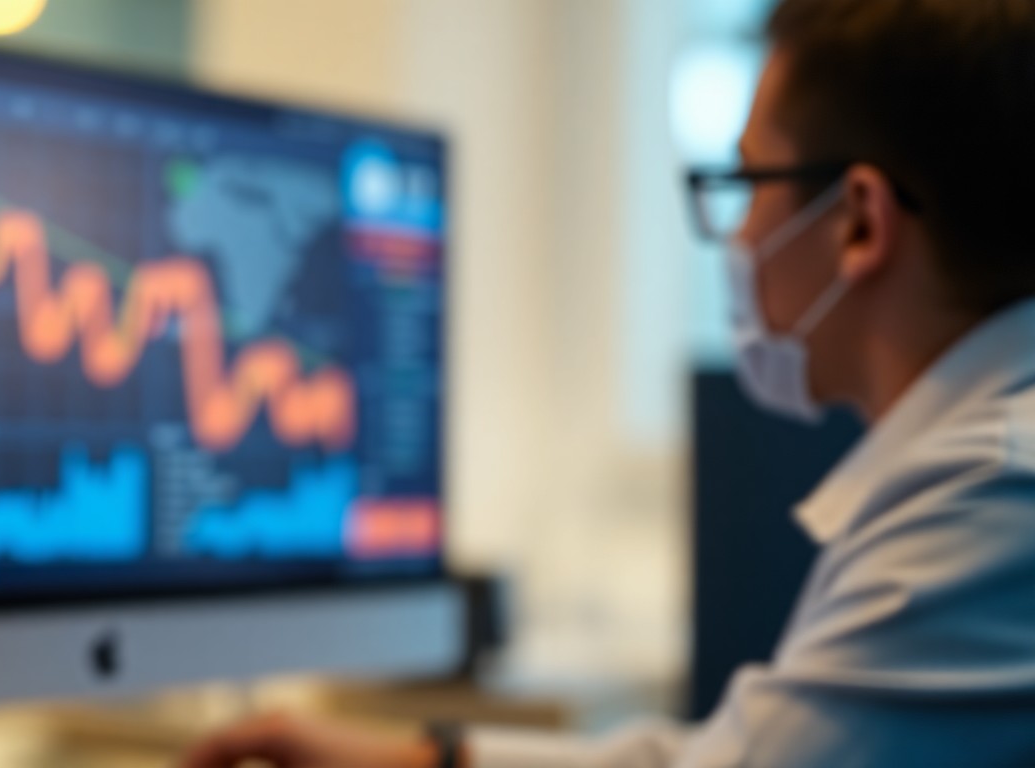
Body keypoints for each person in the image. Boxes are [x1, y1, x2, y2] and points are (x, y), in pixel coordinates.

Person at [181, 0, 1035, 765]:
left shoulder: (987, 500)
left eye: (743, 184)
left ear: (857, 222)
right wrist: (425, 761)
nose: (736, 239)